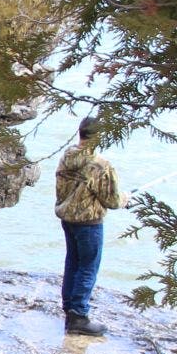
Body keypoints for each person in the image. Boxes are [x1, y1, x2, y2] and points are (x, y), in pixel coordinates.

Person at [54, 113, 124, 336]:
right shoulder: (100, 165)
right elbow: (112, 201)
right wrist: (126, 199)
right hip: (89, 223)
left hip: (68, 219)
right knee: (88, 267)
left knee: (72, 263)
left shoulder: (66, 157)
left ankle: (70, 310)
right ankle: (79, 316)